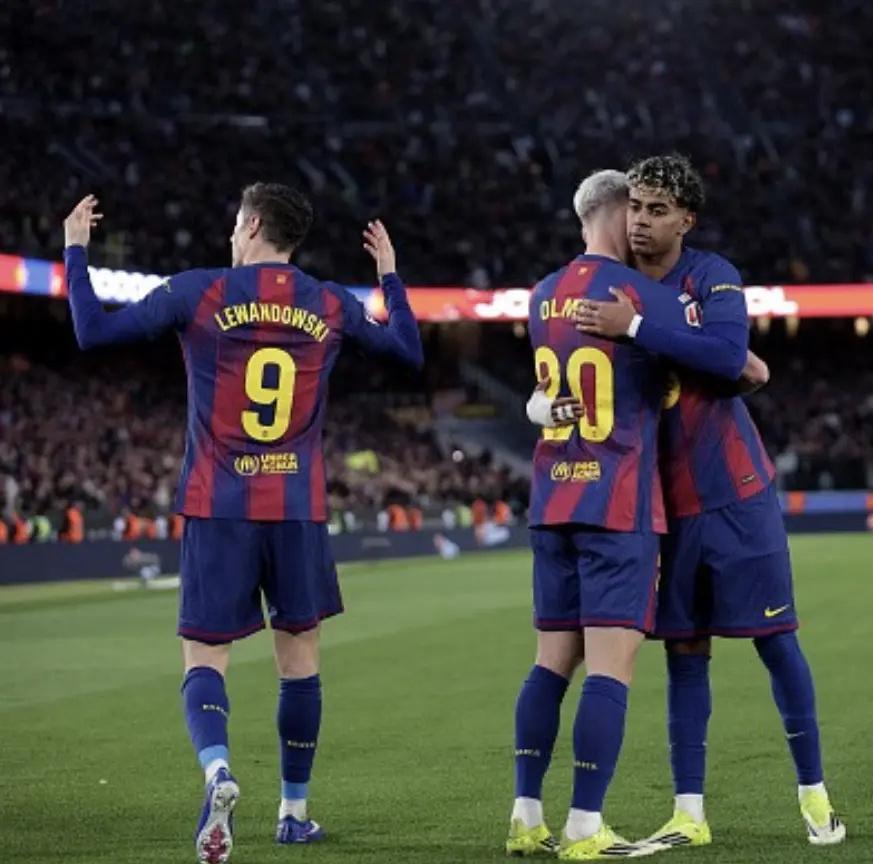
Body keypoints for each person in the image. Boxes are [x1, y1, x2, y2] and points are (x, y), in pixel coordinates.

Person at [63, 184, 424, 863]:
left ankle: (219, 771)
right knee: (300, 663)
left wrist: (76, 252)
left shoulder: (199, 291)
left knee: (205, 658)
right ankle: (294, 812)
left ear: (252, 224)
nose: (232, 233)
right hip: (296, 508)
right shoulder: (329, 301)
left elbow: (91, 332)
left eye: (235, 222)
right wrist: (390, 277)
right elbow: (409, 352)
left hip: (218, 504)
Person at [543, 153, 844, 848]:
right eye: (635, 207)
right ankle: (689, 812)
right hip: (661, 506)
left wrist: (636, 329)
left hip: (737, 494)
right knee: (685, 652)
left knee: (776, 641)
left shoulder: (711, 276)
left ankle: (815, 795)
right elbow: (563, 378)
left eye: (657, 211)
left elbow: (732, 355)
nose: (640, 221)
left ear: (686, 220)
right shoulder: (606, 285)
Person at [508, 168, 721, 860]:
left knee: (550, 664)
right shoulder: (640, 295)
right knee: (609, 669)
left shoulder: (543, 294)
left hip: (553, 497)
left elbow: (544, 396)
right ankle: (584, 825)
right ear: (621, 210)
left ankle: (525, 816)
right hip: (618, 499)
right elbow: (714, 362)